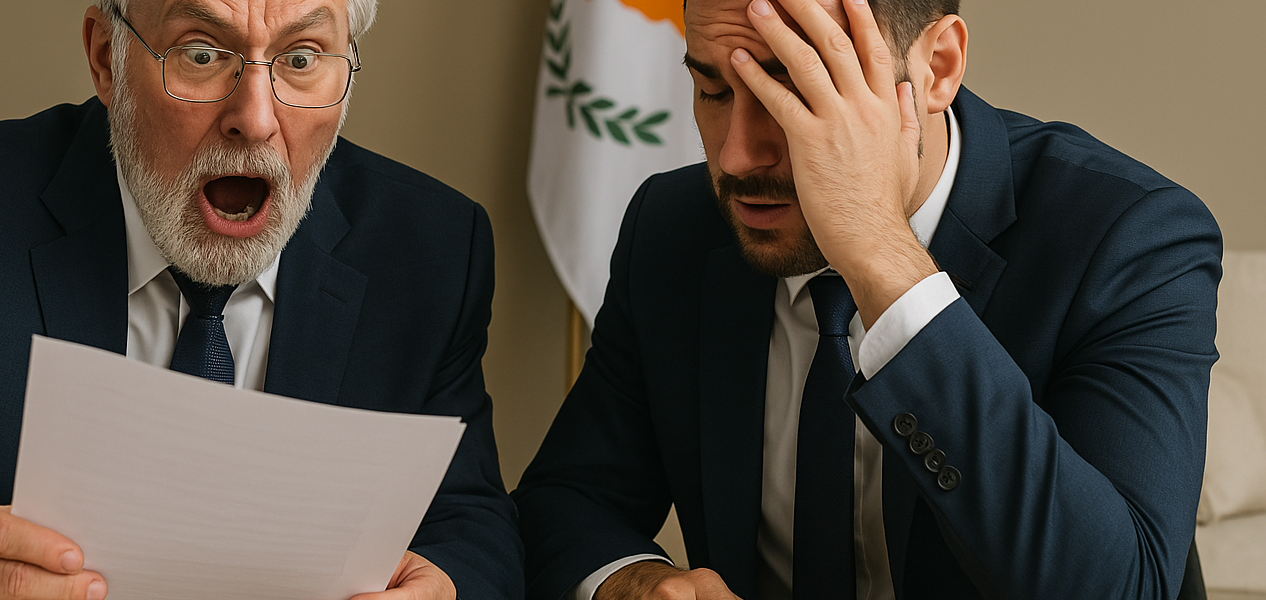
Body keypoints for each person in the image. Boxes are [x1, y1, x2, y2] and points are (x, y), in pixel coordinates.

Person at [0, 1, 523, 599]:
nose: (254, 119)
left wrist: (445, 586)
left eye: (303, 59)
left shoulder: (433, 248)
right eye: (203, 53)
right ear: (107, 60)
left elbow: (475, 526)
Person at [512, 0, 1220, 598]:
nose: (734, 156)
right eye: (714, 92)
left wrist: (884, 257)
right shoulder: (673, 229)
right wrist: (635, 581)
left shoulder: (1129, 239)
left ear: (936, 67)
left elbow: (1126, 584)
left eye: (800, 95)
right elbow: (569, 500)